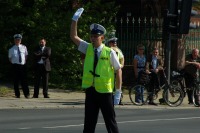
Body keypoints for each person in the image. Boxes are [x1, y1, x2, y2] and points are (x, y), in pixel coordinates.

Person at [70, 8, 122, 133]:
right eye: (92, 36)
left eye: (96, 37)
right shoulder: (87, 48)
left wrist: (118, 92)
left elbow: (118, 70)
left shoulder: (110, 52)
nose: (93, 39)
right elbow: (73, 36)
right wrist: (74, 20)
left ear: (102, 38)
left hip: (105, 92)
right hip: (91, 90)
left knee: (110, 123)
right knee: (89, 123)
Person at [8, 34, 30, 98]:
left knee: (24, 80)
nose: (17, 41)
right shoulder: (11, 49)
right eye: (16, 40)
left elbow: (26, 55)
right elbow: (10, 58)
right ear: (14, 40)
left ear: (20, 40)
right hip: (15, 66)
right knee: (16, 81)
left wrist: (24, 62)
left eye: (19, 40)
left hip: (22, 66)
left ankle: (26, 94)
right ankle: (17, 94)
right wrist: (14, 63)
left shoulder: (24, 47)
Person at [108, 37, 124, 105]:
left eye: (115, 42)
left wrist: (121, 65)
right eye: (113, 42)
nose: (115, 44)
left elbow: (122, 58)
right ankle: (110, 99)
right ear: (110, 43)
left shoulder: (118, 50)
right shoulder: (107, 50)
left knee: (118, 84)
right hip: (109, 70)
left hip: (117, 70)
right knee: (110, 85)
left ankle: (119, 100)